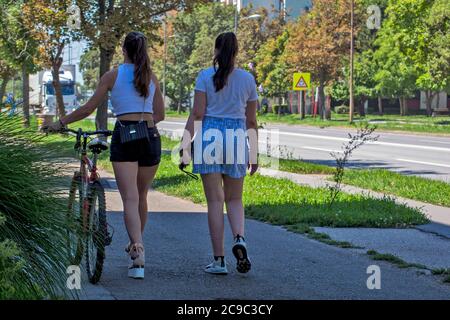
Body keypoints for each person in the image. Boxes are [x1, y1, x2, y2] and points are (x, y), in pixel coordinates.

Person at [43, 31, 164, 279]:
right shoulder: (151, 77)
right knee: (141, 196)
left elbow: (88, 108)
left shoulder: (112, 76)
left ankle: (138, 252)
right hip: (150, 136)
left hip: (126, 136)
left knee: (129, 198)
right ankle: (136, 248)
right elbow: (160, 114)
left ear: (123, 50)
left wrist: (61, 122)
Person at [181, 32, 258, 275]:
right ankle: (240, 238)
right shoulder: (247, 79)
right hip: (236, 138)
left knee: (215, 201)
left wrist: (184, 146)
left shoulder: (205, 76)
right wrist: (253, 153)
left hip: (210, 138)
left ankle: (219, 261)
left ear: (215, 50)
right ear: (236, 52)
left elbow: (197, 115)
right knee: (234, 199)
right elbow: (252, 121)